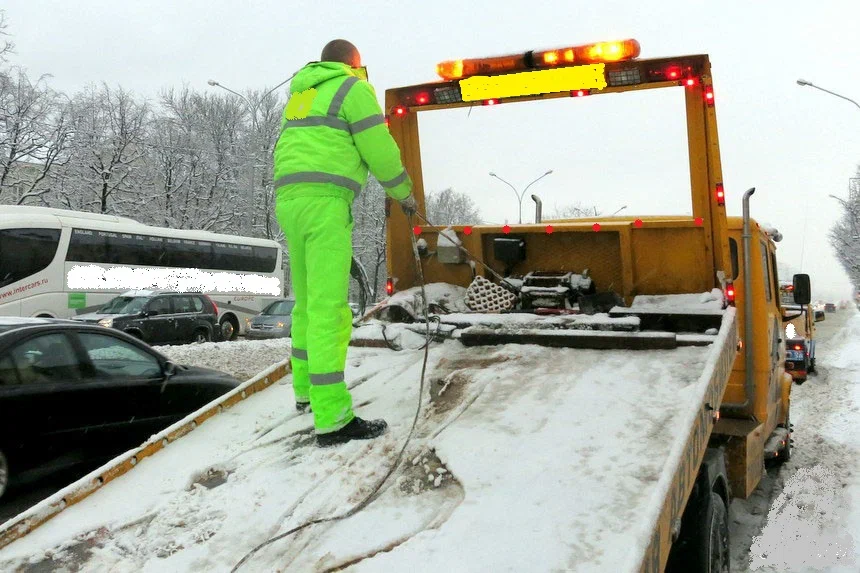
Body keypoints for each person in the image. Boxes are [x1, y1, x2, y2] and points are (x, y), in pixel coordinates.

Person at [273, 39, 417, 447]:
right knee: (329, 311)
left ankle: (305, 391)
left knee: (305, 305)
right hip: (325, 205)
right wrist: (403, 192)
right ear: (355, 65)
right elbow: (379, 149)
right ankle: (333, 418)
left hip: (290, 202)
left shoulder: (302, 96)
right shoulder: (353, 89)